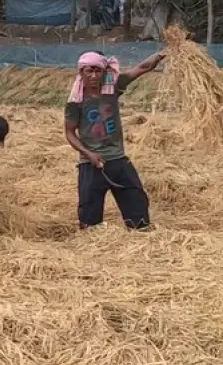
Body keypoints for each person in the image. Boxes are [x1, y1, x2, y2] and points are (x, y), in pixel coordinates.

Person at [65, 50, 164, 230]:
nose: (94, 75)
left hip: (117, 158)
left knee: (138, 210)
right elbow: (70, 133)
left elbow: (142, 68)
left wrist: (161, 54)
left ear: (104, 71)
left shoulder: (112, 87)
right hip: (91, 163)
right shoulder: (75, 101)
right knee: (89, 221)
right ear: (81, 72)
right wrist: (88, 154)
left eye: (98, 70)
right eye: (89, 71)